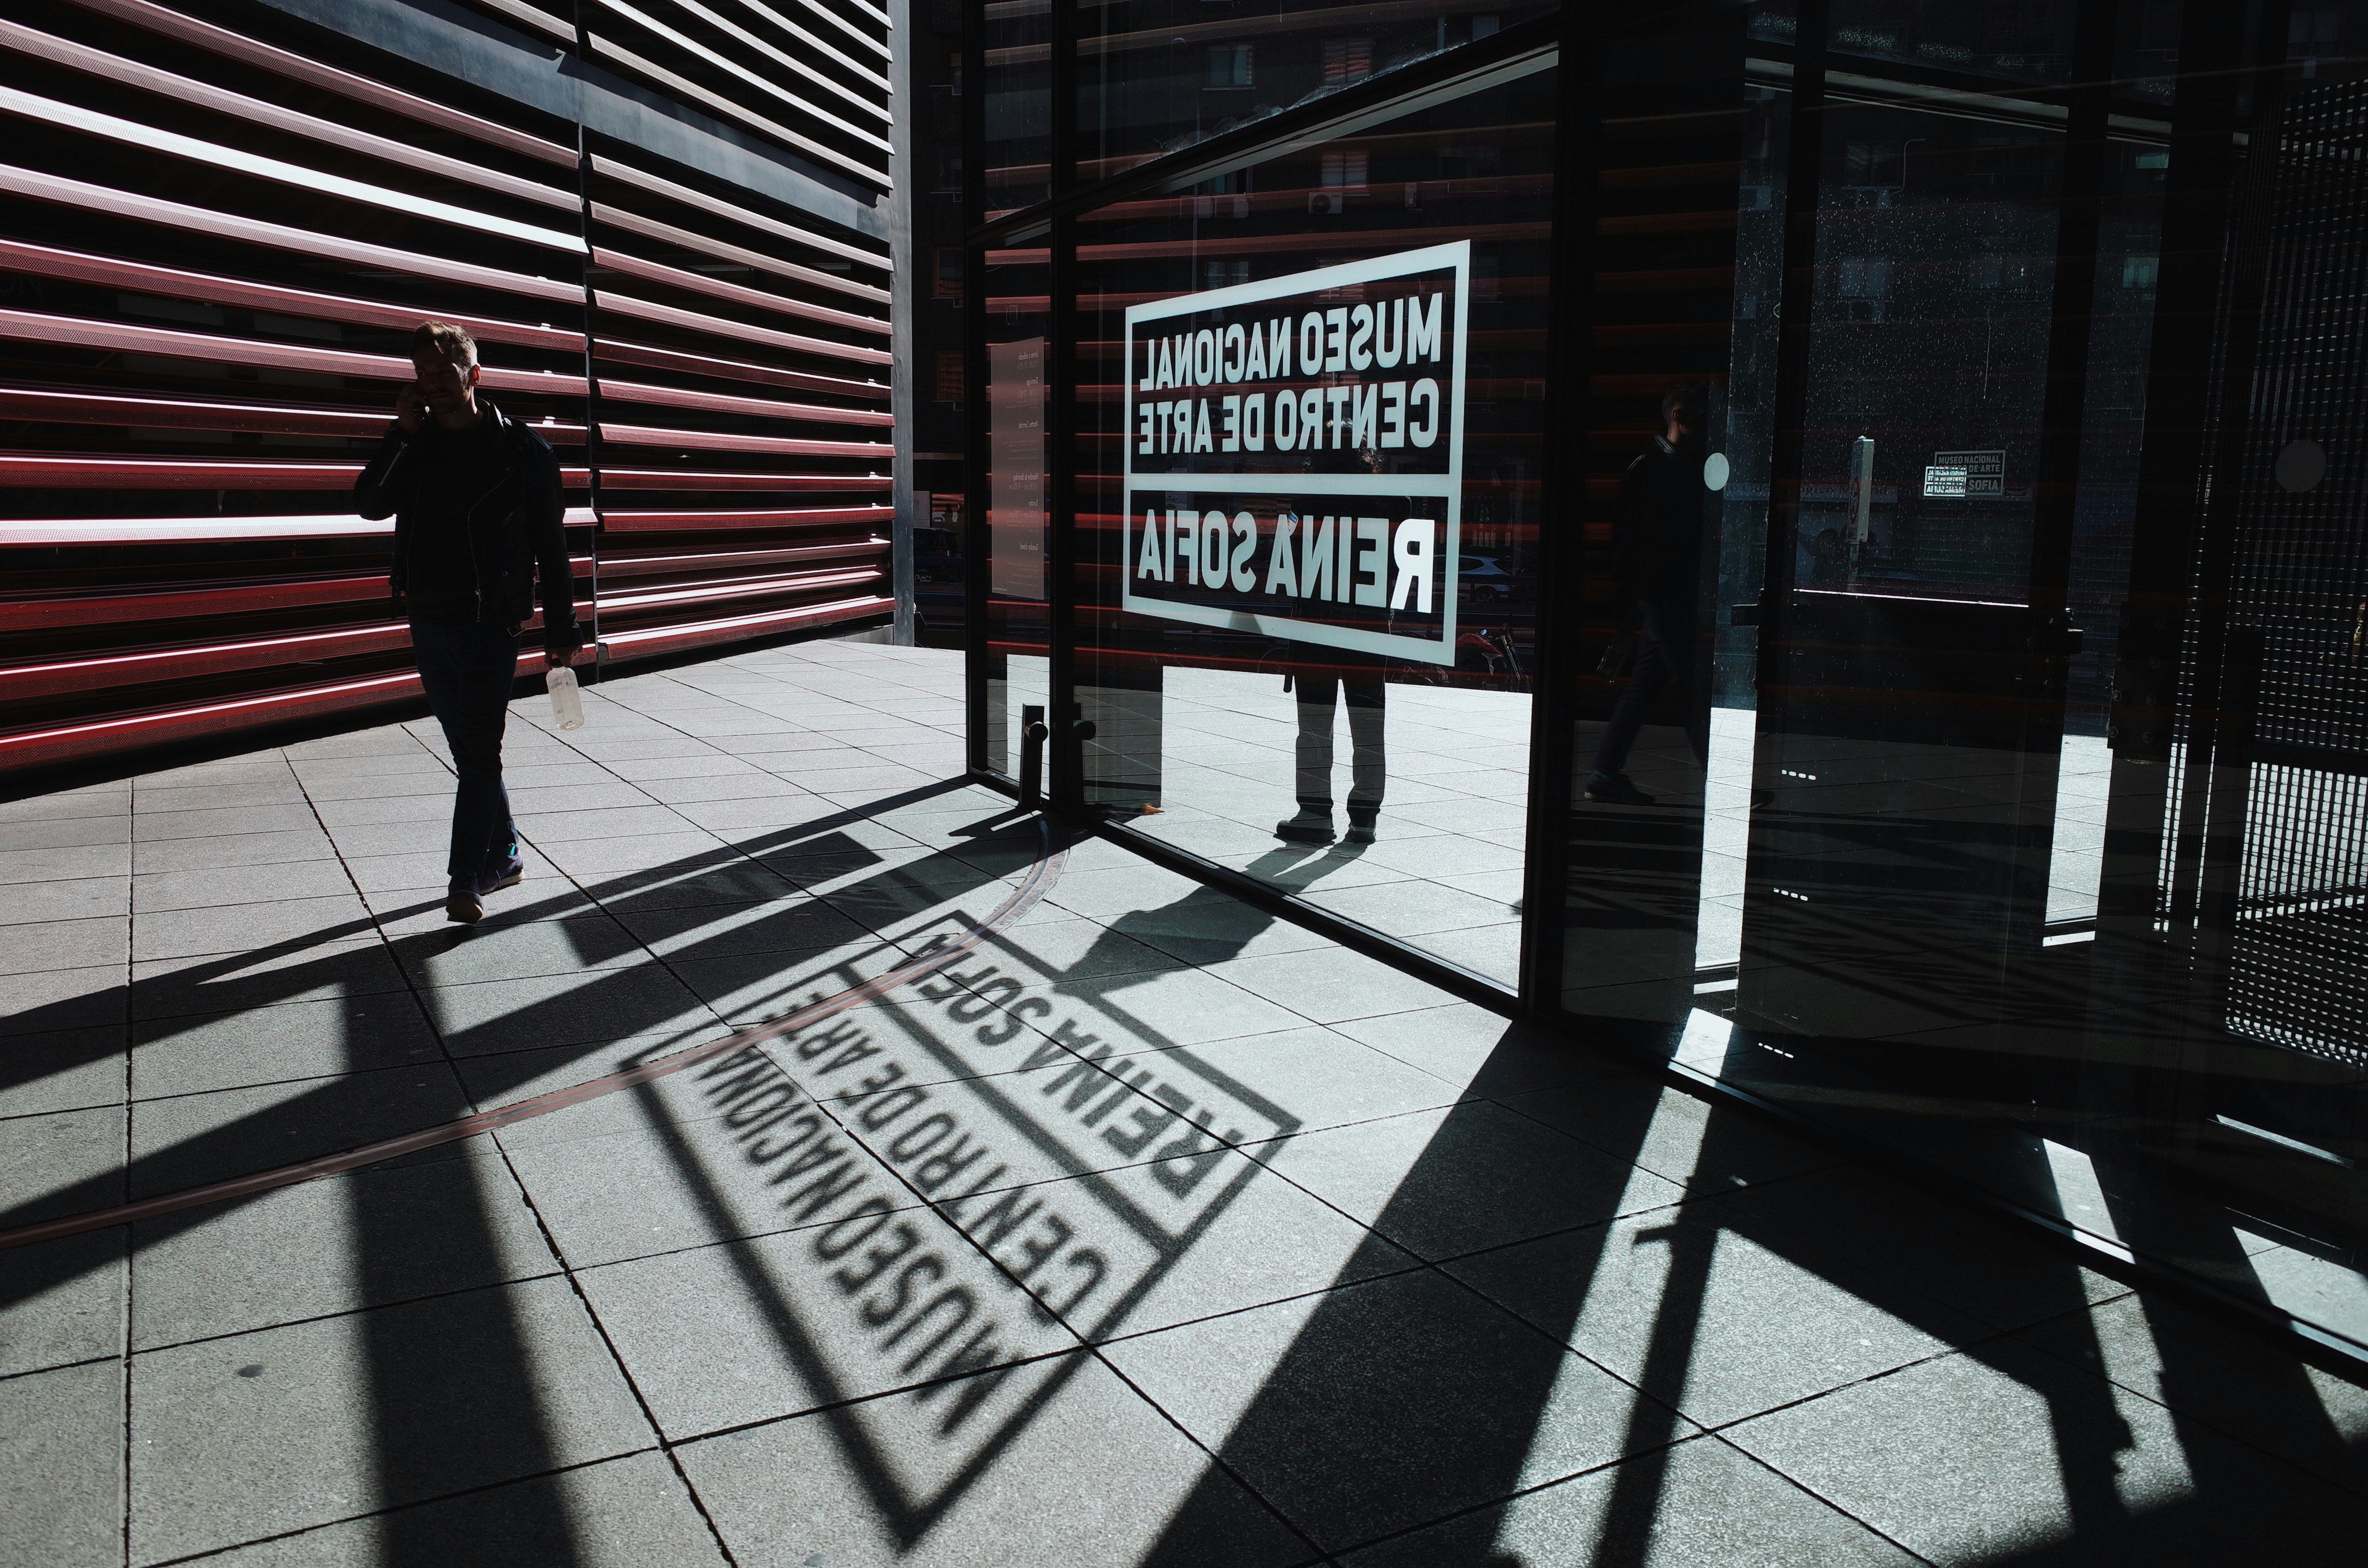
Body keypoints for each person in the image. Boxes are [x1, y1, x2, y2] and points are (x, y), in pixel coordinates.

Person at [355, 322, 582, 923]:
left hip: (491, 620)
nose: (431, 383)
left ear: (473, 374)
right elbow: (369, 504)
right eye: (421, 373)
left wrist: (563, 630)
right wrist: (401, 435)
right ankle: (505, 852)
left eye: (443, 371)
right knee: (469, 748)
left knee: (479, 748)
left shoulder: (525, 452)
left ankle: (465, 880)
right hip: (429, 615)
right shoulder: (417, 445)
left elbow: (552, 547)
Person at [1585, 384, 1711, 806]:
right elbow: (1626, 541)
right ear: (1679, 415)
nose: (1707, 422)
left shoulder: (1677, 466)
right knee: (1691, 685)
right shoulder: (1652, 468)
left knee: (1645, 686)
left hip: (1665, 594)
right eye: (1700, 413)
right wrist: (1626, 603)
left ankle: (1604, 773)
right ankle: (1725, 777)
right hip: (1660, 595)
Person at [1274, 646, 1387, 845]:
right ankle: (1364, 818)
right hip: (1368, 636)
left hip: (1318, 635)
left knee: (1315, 727)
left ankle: (1314, 814)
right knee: (1369, 730)